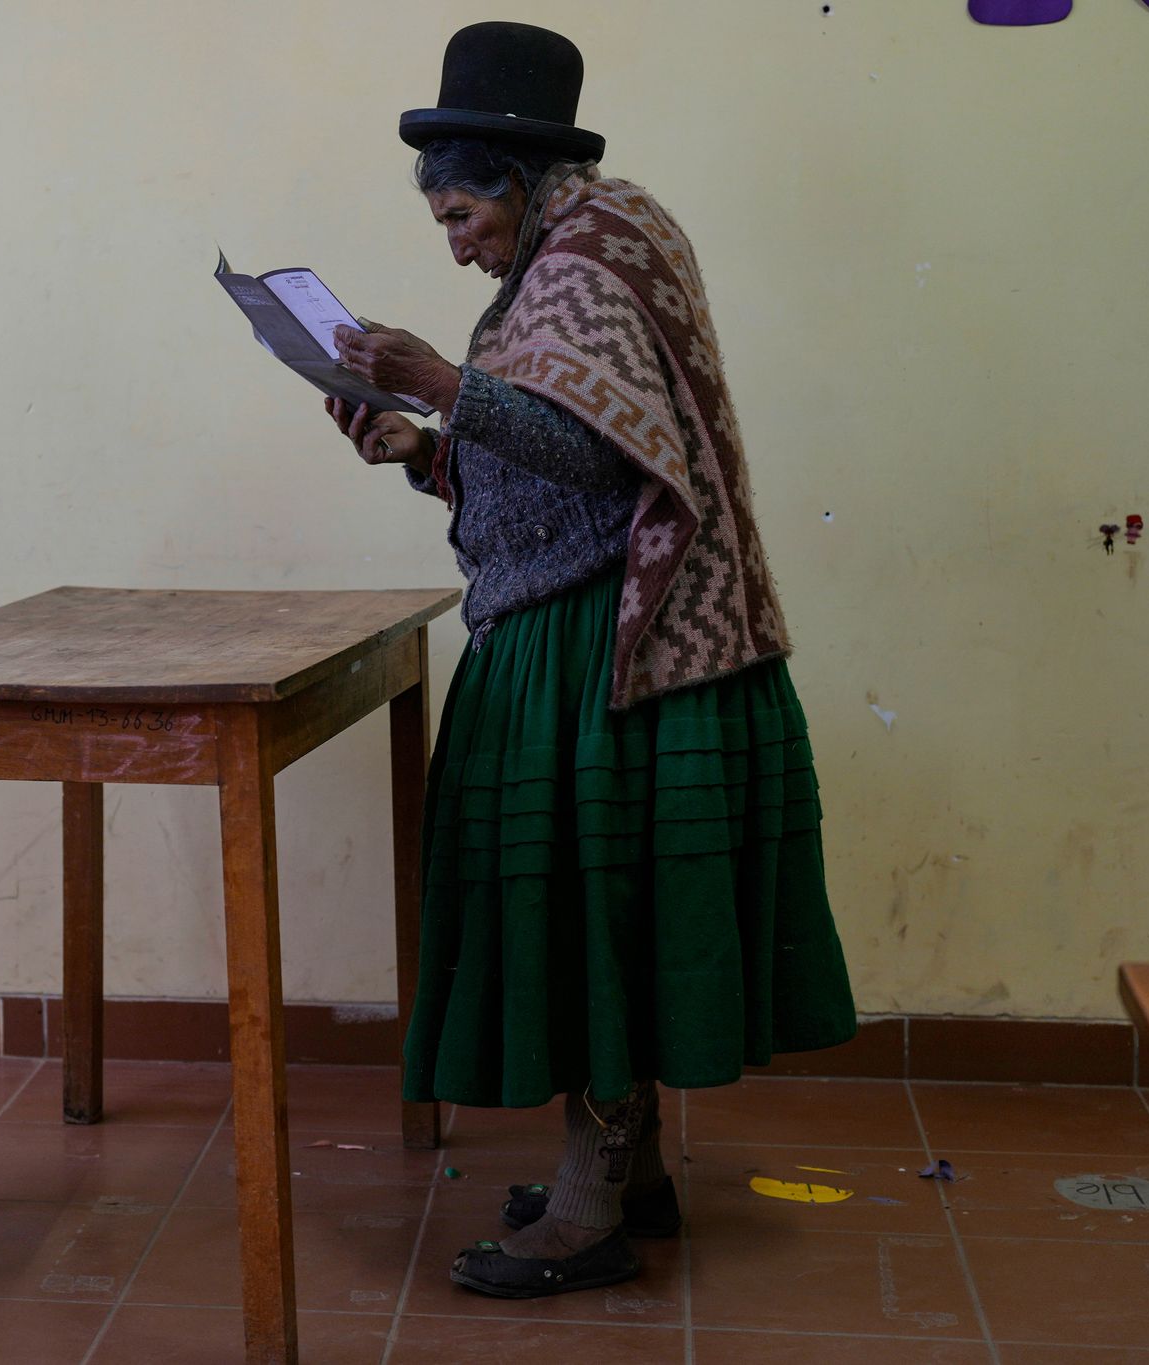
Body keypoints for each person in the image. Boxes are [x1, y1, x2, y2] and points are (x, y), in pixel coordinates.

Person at [325, 21, 858, 1299]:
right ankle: (627, 1172)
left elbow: (608, 456)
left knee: (582, 917)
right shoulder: (562, 256)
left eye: (460, 213)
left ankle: (586, 1209)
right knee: (590, 909)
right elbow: (547, 454)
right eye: (444, 222)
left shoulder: (594, 253)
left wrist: (445, 382)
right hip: (584, 615)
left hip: (619, 638)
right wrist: (420, 445)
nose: (453, 241)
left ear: (513, 177)